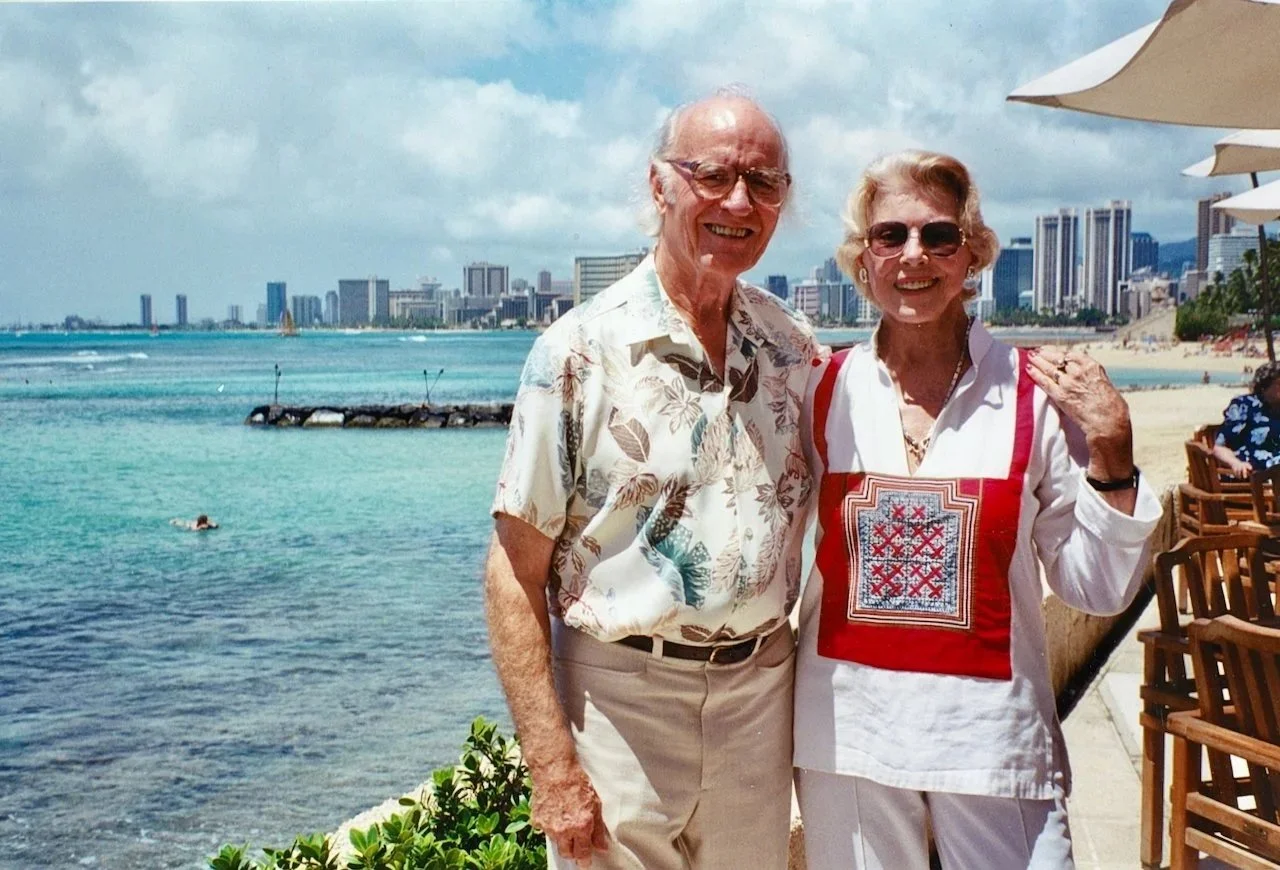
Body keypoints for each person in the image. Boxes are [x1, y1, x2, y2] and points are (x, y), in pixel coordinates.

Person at [792, 150, 1162, 869]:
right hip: (850, 738)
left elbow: (1099, 588)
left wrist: (1112, 453)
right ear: (861, 259)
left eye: (938, 236)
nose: (913, 256)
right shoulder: (821, 387)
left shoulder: (1034, 393)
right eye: (889, 236)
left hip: (994, 746)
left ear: (973, 255)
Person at [485, 90, 820, 870]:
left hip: (761, 699)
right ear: (660, 183)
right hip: (618, 707)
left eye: (764, 182)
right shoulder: (575, 353)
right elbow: (512, 571)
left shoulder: (793, 349)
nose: (739, 200)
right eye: (713, 174)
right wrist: (551, 766)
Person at [1212, 360, 1280, 478]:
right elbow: (1219, 447)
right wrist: (1236, 464)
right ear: (1264, 386)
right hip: (1251, 472)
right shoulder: (1244, 406)